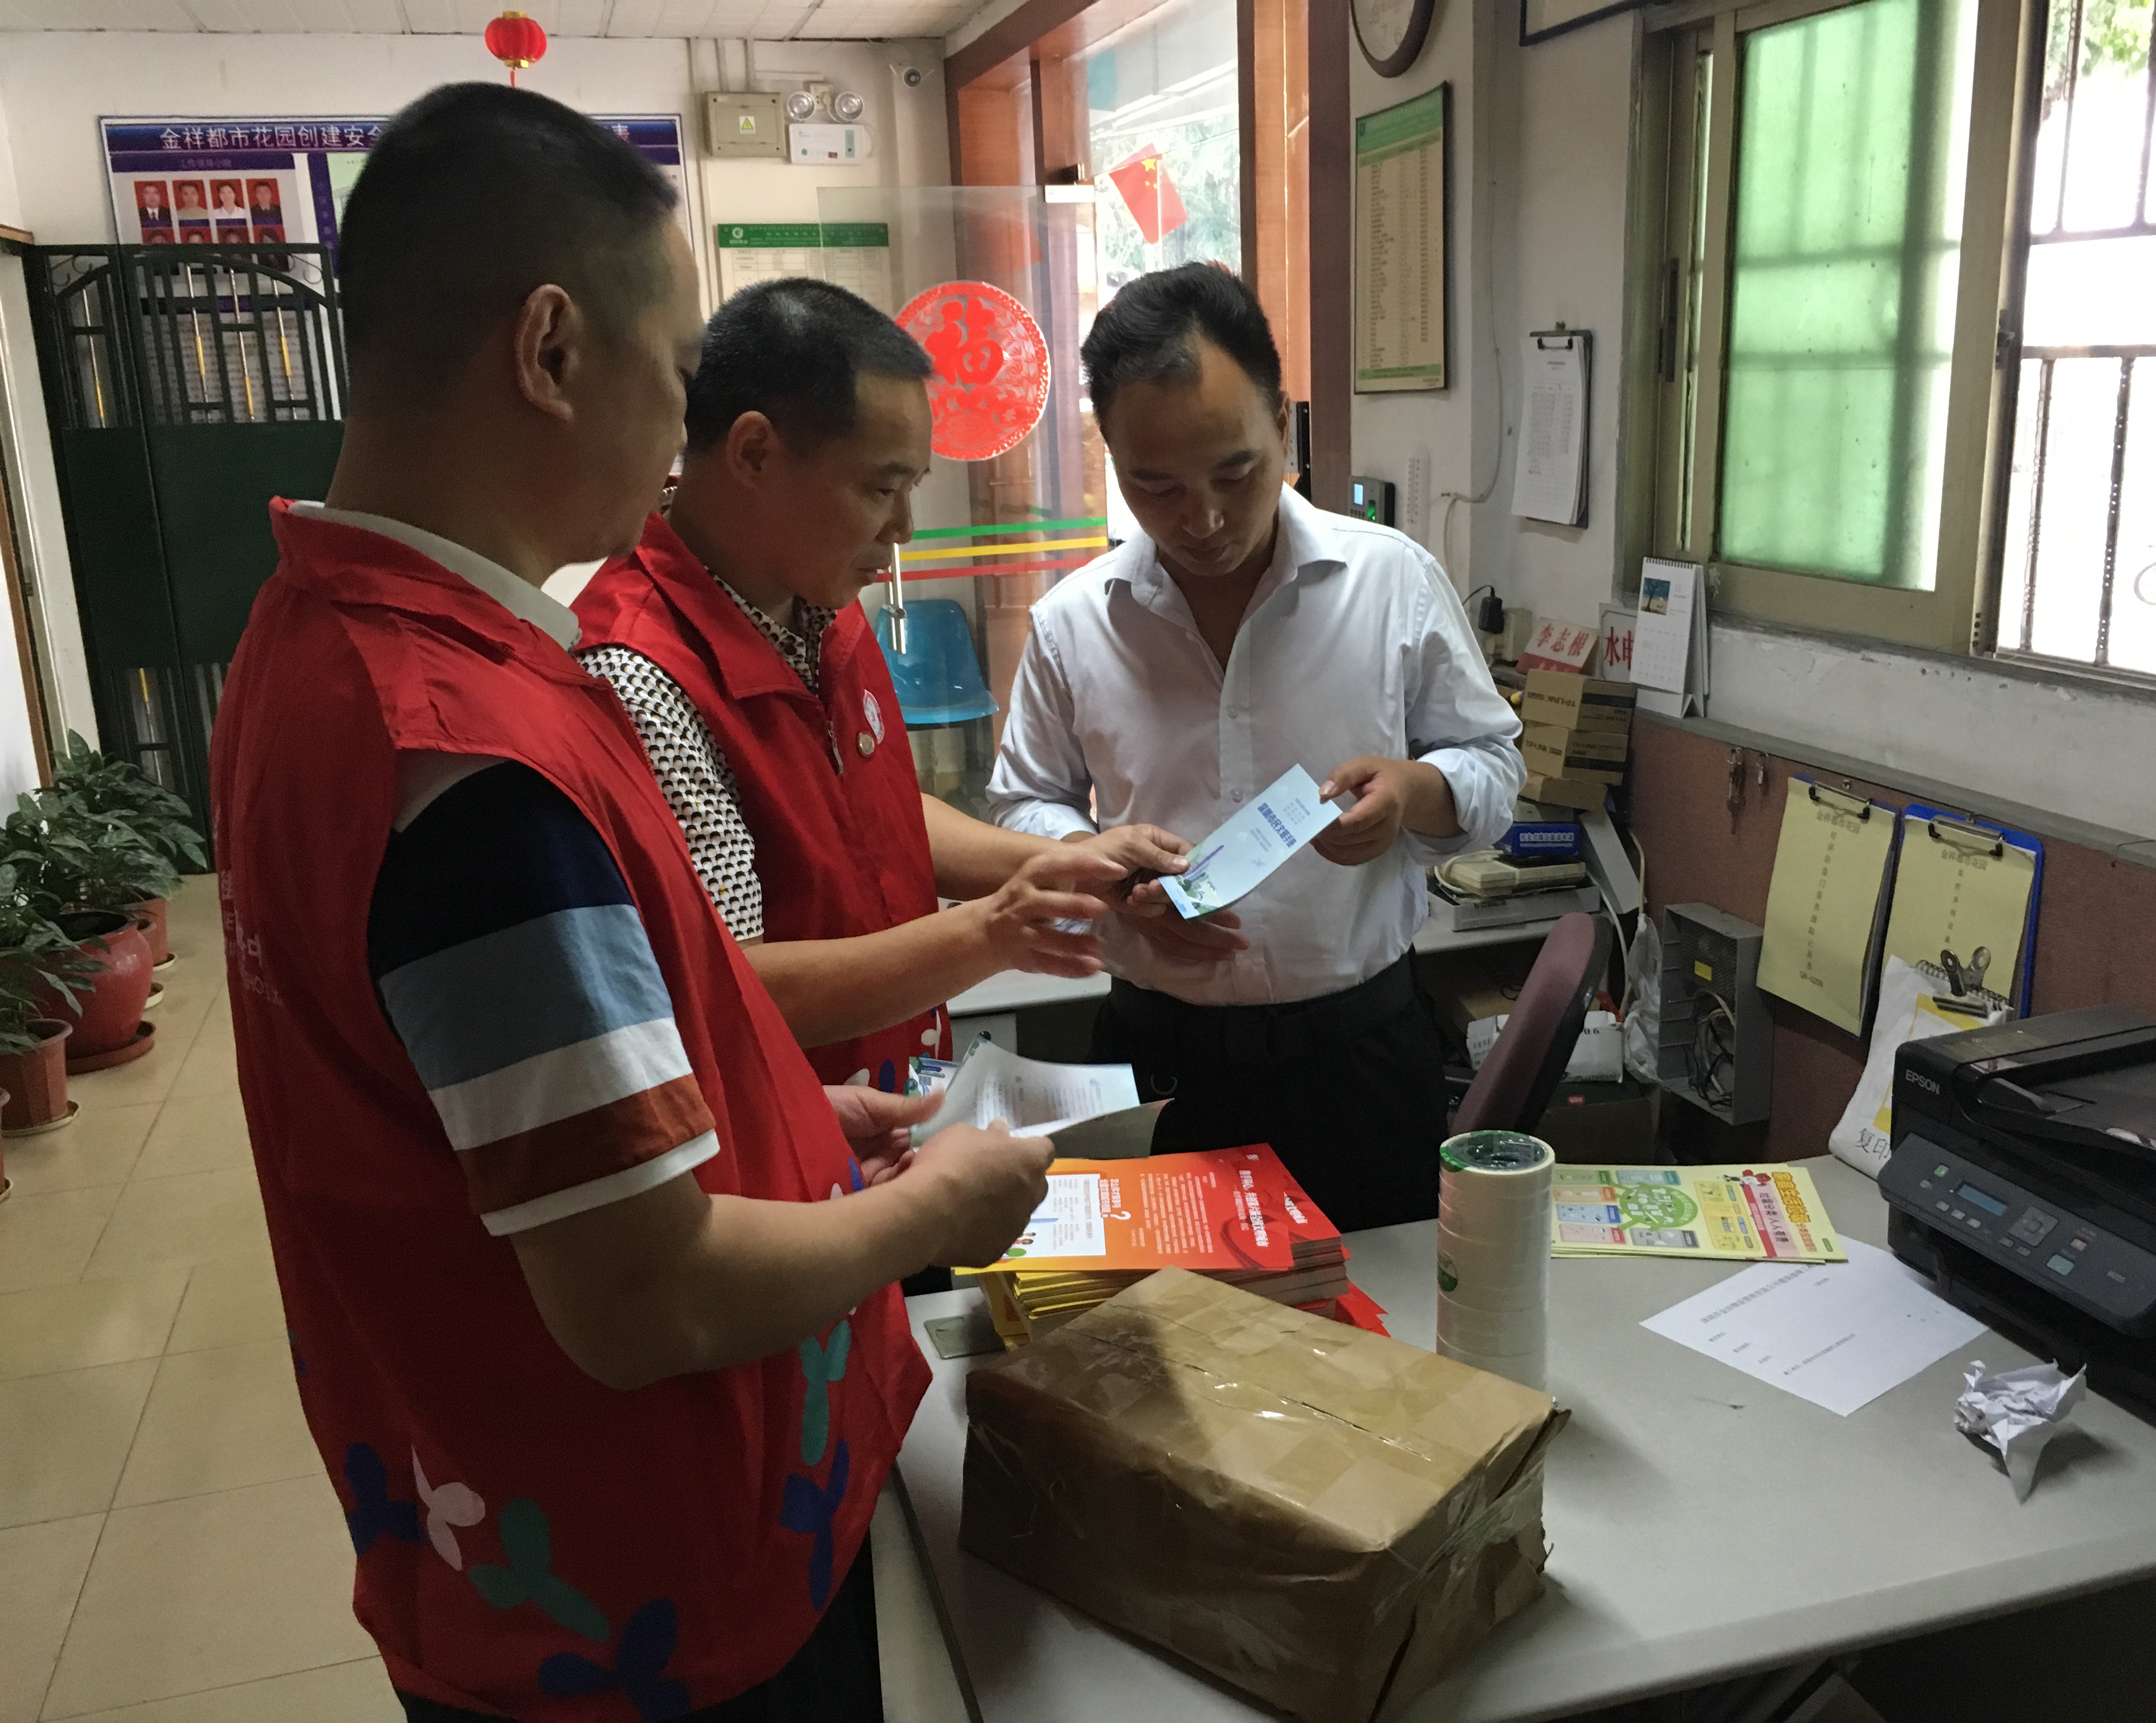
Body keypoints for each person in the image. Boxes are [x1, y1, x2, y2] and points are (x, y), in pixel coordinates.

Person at [210, 83, 1055, 1723]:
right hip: (647, 1598)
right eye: (672, 377)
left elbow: (519, 1110)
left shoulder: (316, 642)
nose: (679, 439)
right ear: (549, 351)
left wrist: (787, 1127)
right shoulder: (470, 765)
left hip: (519, 1534)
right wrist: (937, 1211)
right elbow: (642, 1294)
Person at [987, 263, 1524, 1233]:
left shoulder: (1391, 583)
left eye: (1236, 474)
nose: (1202, 521)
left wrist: (1415, 790)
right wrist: (1106, 873)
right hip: (1159, 1067)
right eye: (1155, 486)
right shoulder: (1076, 622)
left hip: (1359, 1065)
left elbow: (1492, 765)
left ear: (1283, 424)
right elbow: (1025, 802)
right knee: (1157, 1322)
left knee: (1384, 1321)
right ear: (1112, 455)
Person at [573, 277, 1190, 1093]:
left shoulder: (817, 601)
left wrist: (1071, 862)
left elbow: (877, 818)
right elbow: (729, 984)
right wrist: (989, 934)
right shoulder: (641, 674)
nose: (902, 530)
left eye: (911, 490)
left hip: (890, 1094)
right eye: (879, 489)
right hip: (789, 1124)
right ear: (754, 452)